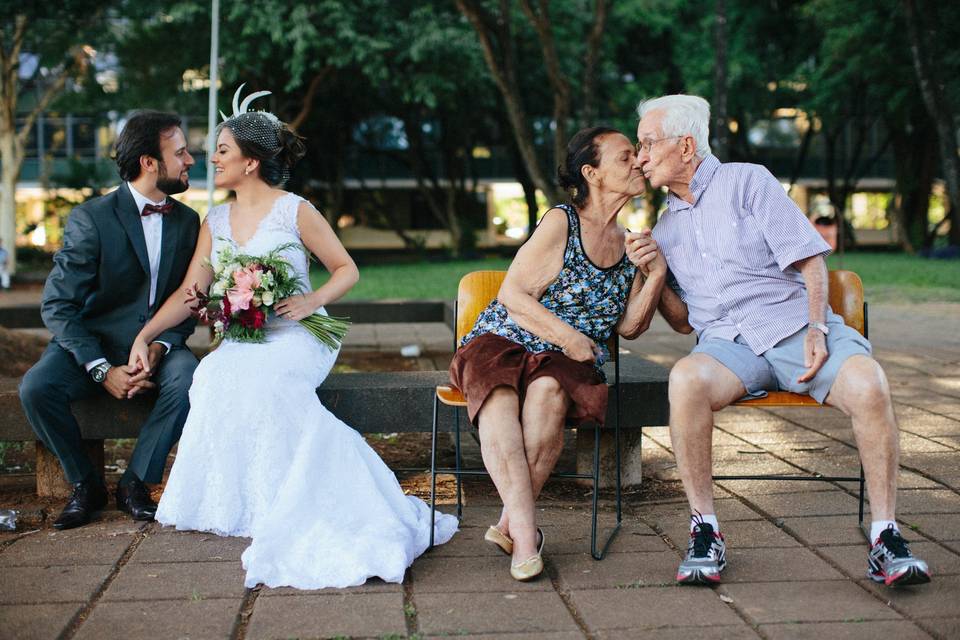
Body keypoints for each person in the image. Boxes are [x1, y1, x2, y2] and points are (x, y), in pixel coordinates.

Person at [127, 89, 457, 590]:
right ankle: (245, 501)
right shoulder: (216, 220)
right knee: (213, 376)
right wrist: (147, 333)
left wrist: (309, 300)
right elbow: (191, 290)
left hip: (302, 334)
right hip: (245, 337)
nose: (211, 158)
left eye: (222, 150)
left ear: (251, 162)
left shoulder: (295, 210)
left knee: (269, 384)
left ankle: (306, 498)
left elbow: (347, 269)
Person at [628, 94, 931, 587]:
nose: (640, 156)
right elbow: (684, 325)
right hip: (728, 345)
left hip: (791, 327)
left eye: (646, 144)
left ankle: (886, 535)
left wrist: (817, 328)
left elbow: (810, 259)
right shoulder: (664, 229)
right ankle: (705, 530)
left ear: (685, 145)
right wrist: (655, 272)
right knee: (685, 379)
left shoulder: (747, 181)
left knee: (870, 383)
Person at [449, 126, 667, 581]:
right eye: (625, 156)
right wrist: (569, 337)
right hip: (506, 338)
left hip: (562, 363)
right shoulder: (561, 222)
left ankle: (510, 524)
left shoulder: (630, 244)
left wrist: (656, 273)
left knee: (549, 394)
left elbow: (629, 326)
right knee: (500, 399)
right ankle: (526, 538)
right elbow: (512, 294)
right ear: (592, 173)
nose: (638, 162)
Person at [19, 111, 200, 530]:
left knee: (189, 377)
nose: (190, 159)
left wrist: (161, 345)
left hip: (158, 345)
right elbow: (58, 305)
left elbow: (190, 299)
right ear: (149, 163)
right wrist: (101, 370)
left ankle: (136, 482)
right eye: (180, 152)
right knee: (36, 388)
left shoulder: (189, 222)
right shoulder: (92, 218)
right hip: (91, 344)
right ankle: (86, 484)